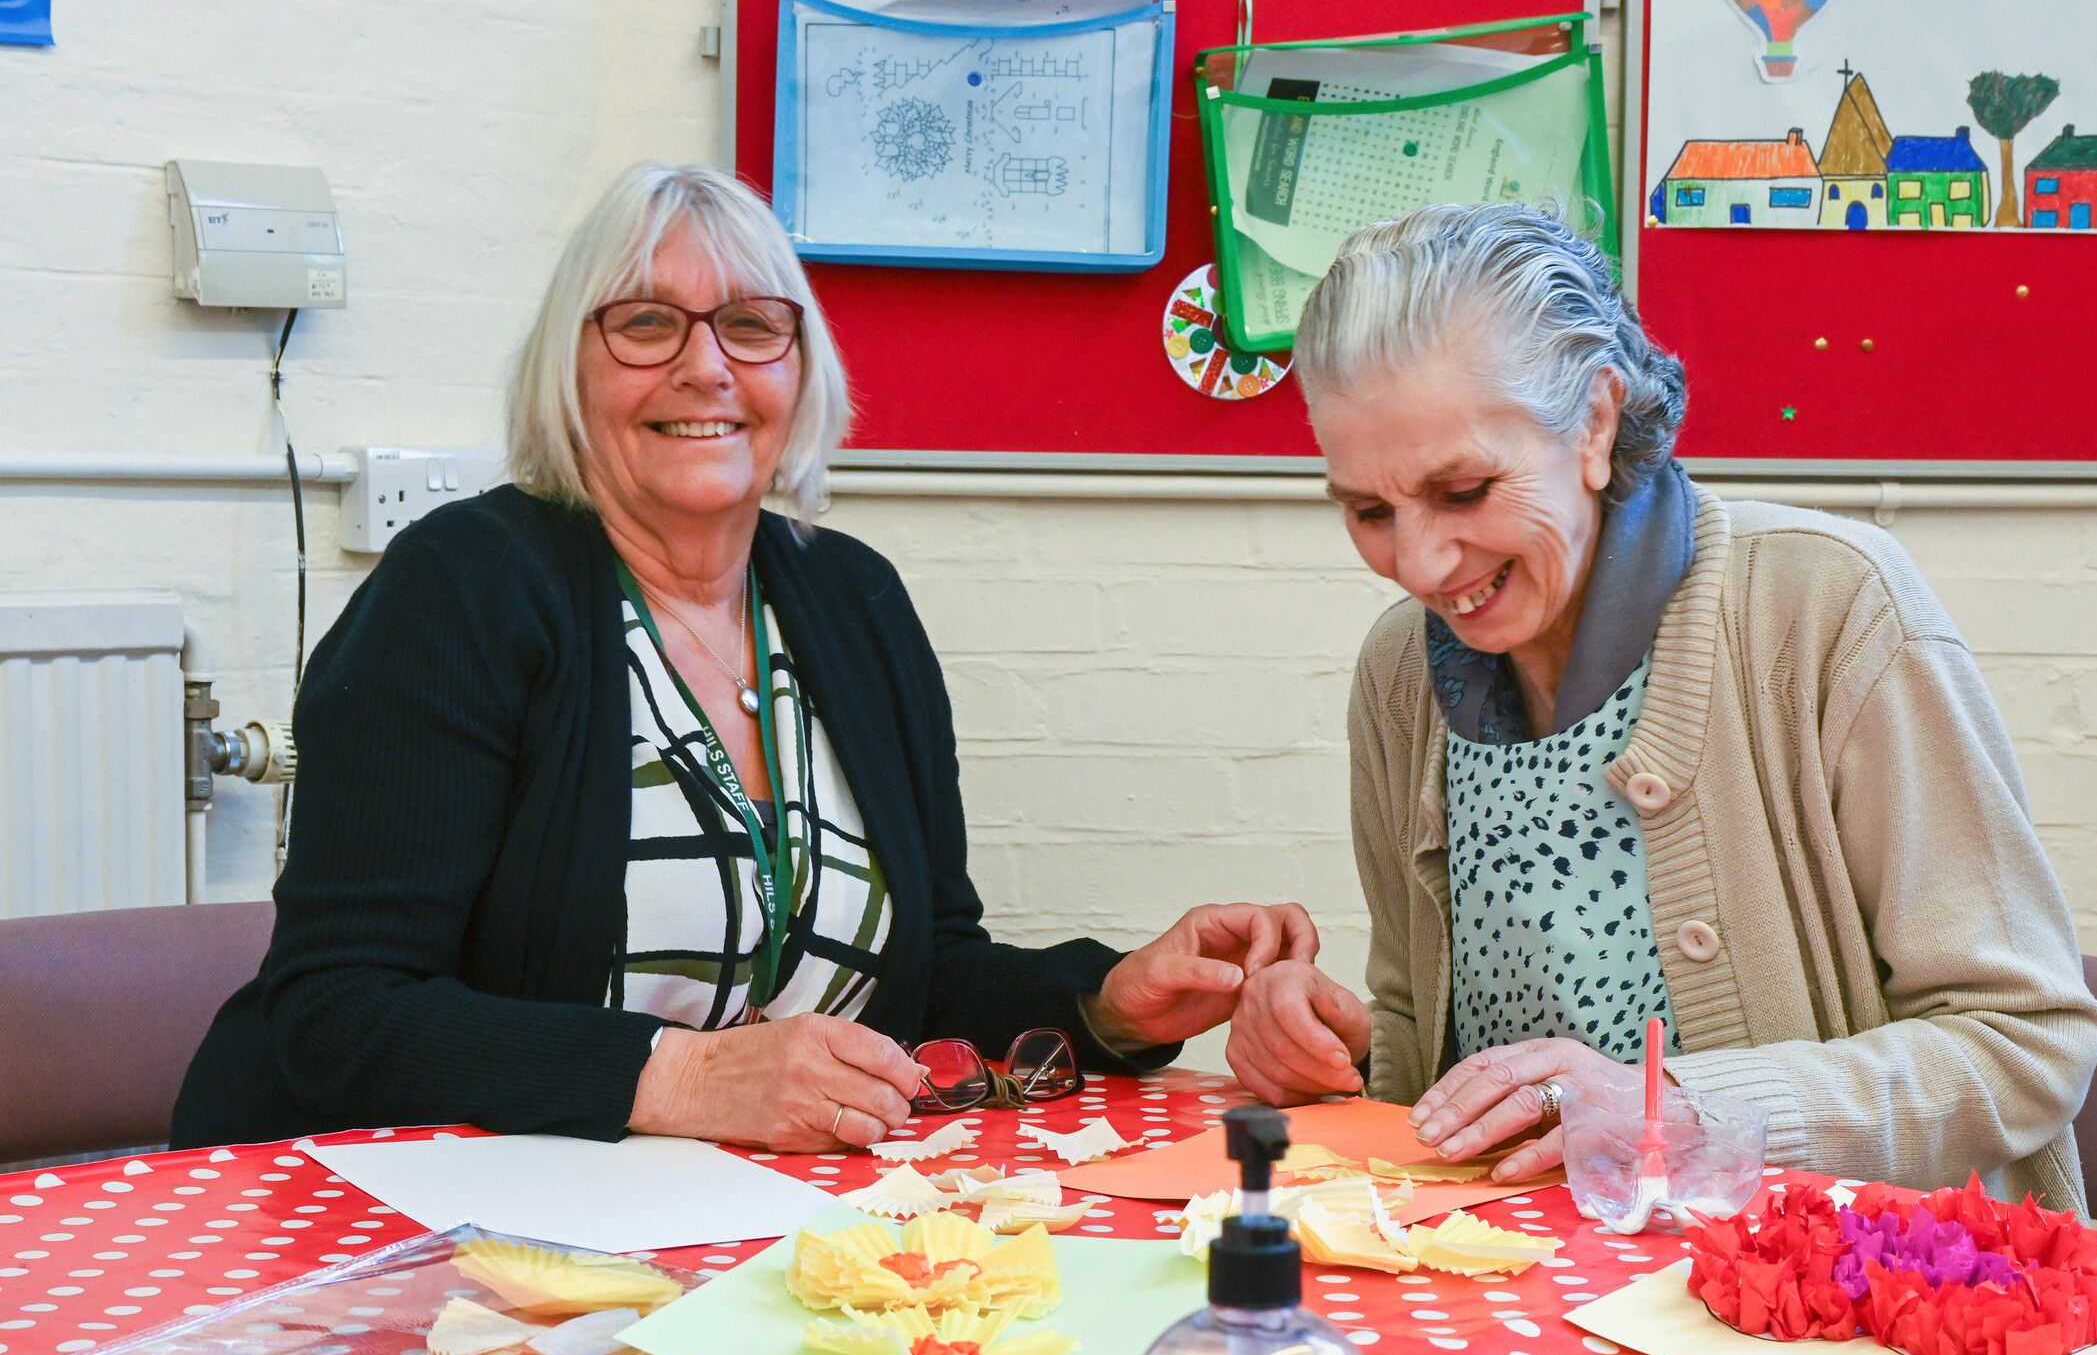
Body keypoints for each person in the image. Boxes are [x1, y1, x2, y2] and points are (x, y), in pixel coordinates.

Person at [172, 163, 1316, 1152]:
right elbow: (341, 1010)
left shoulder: (851, 597)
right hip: (400, 1231)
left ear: (799, 368)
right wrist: (684, 1077)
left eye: (752, 325)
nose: (706, 367)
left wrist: (1108, 1000)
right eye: (645, 322)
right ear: (566, 366)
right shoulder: (462, 589)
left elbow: (923, 976)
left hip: (711, 1218)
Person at [1222, 203, 2097, 1209]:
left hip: (1846, 1304)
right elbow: (1442, 1053)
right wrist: (1345, 1054)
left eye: (1464, 489)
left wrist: (1687, 1104)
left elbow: (2025, 1041)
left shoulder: (1827, 607)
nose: (1418, 564)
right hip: (1551, 1301)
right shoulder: (1400, 674)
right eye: (1370, 512)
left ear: (1595, 420)